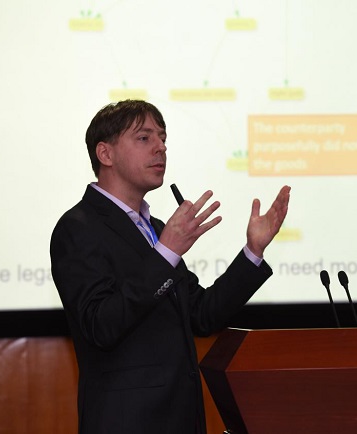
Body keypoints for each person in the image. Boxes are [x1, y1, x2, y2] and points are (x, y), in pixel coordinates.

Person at [50, 99, 290, 434]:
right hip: (127, 424)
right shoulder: (78, 228)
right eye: (144, 138)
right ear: (105, 154)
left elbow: (201, 315)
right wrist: (165, 252)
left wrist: (253, 251)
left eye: (162, 138)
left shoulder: (155, 229)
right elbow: (100, 325)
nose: (160, 147)